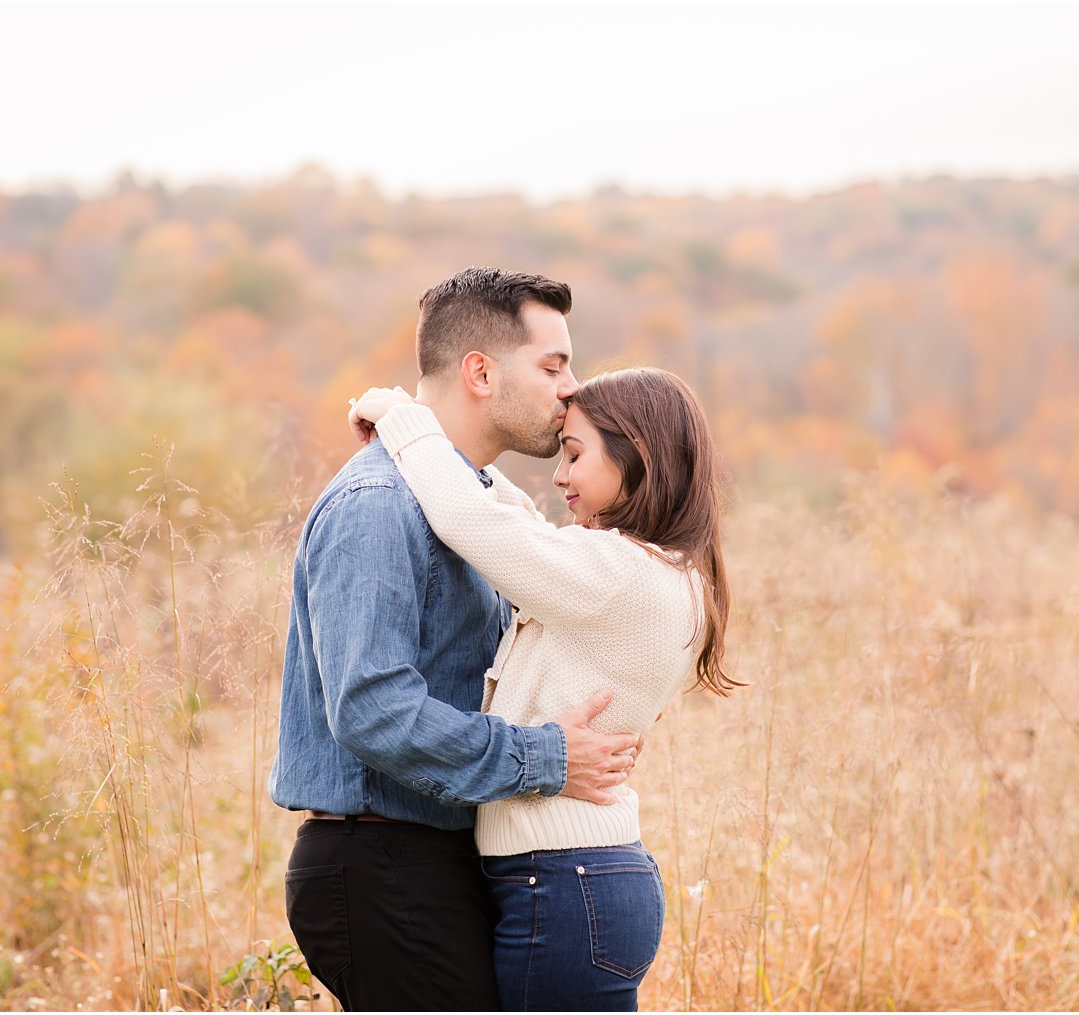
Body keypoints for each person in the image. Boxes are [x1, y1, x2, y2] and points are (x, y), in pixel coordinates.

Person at [269, 267, 642, 1012]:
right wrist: (546, 757)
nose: (572, 387)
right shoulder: (378, 505)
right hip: (378, 863)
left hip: (434, 857)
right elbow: (374, 709)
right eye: (553, 365)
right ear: (480, 372)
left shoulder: (461, 505)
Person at [348, 365, 739, 1011]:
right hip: (578, 876)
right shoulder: (660, 573)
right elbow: (524, 529)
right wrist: (447, 449)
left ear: (635, 456)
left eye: (576, 454)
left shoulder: (617, 572)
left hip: (563, 878)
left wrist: (405, 421)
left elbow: (474, 524)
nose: (560, 476)